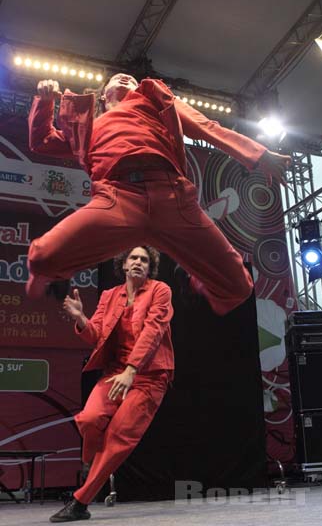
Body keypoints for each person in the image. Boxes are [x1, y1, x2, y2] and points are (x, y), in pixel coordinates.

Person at [26, 73, 290, 315]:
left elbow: (205, 126)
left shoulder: (151, 97)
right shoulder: (88, 126)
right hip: (117, 197)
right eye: (117, 78)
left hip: (172, 198)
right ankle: (45, 273)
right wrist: (45, 101)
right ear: (104, 95)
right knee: (40, 258)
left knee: (239, 287)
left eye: (130, 78)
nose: (126, 77)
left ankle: (197, 279)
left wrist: (259, 155)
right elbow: (42, 141)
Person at [49, 245, 174, 523]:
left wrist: (133, 370)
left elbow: (154, 331)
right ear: (124, 265)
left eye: (144, 259)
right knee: (90, 419)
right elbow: (98, 336)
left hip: (149, 376)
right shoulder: (110, 295)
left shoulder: (160, 291)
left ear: (149, 267)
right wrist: (82, 318)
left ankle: (80, 502)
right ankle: (90, 465)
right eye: (134, 258)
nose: (139, 262)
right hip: (115, 372)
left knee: (117, 438)